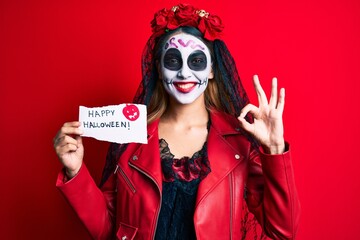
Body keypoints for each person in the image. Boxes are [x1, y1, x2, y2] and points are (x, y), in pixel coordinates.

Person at [53, 4, 300, 240]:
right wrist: (75, 172)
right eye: (172, 60)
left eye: (196, 61)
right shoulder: (129, 137)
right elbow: (108, 231)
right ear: (158, 69)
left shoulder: (239, 142)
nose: (184, 73)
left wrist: (275, 151)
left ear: (212, 69)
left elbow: (283, 231)